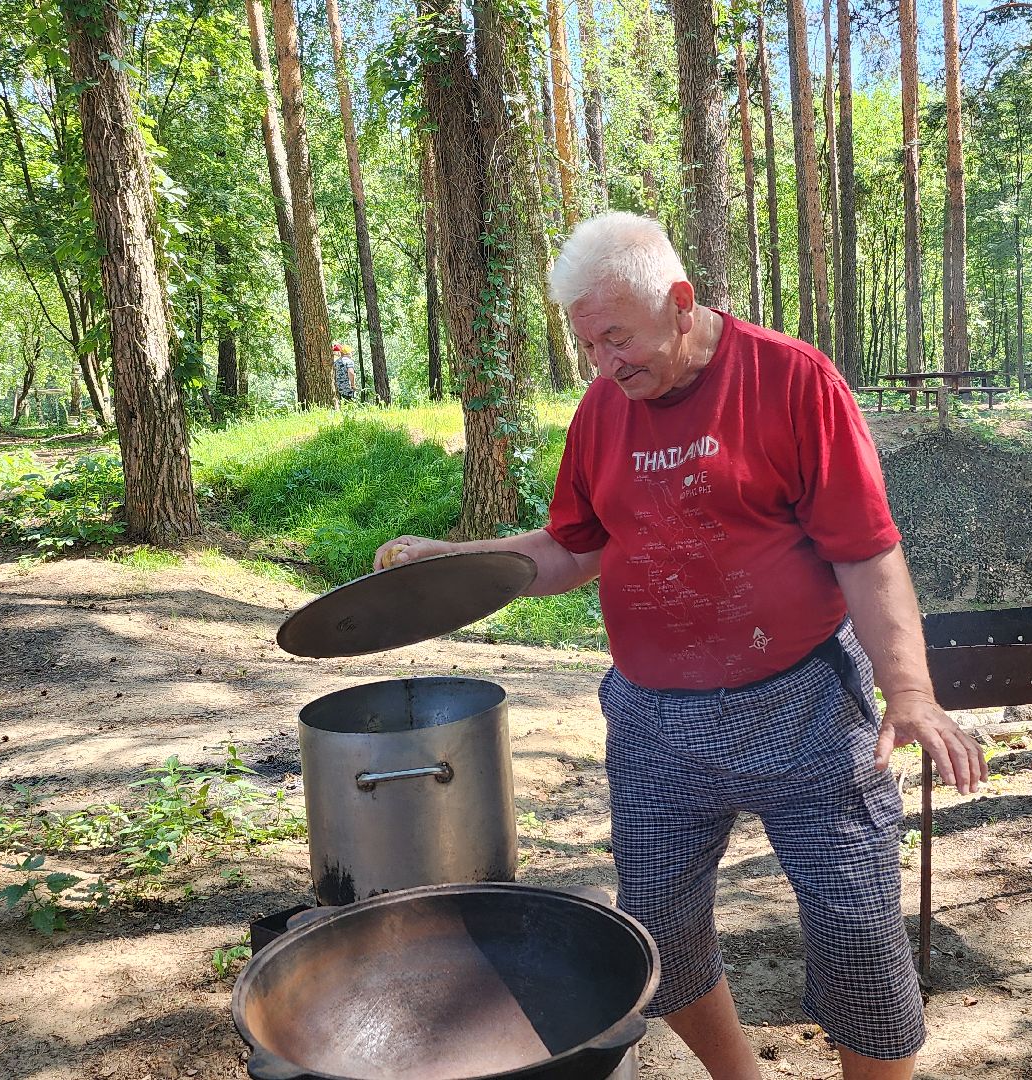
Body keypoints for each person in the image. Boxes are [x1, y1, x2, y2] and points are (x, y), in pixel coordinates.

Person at [373, 212, 985, 1080]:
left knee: (857, 928)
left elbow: (867, 549)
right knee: (658, 929)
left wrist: (910, 692)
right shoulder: (601, 413)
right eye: (589, 347)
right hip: (656, 722)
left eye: (618, 337)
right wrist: (455, 563)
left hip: (804, 705)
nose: (606, 364)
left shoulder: (790, 380)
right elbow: (571, 549)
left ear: (681, 302)